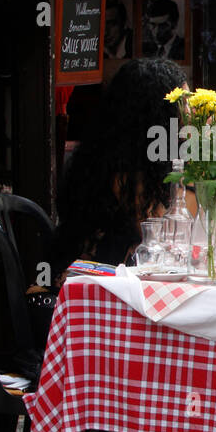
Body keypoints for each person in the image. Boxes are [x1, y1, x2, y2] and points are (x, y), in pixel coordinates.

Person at [53, 58, 186, 279]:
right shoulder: (126, 174)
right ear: (158, 112)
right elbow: (162, 232)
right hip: (92, 285)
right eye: (182, 102)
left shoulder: (108, 155)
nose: (190, 111)